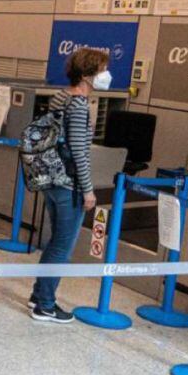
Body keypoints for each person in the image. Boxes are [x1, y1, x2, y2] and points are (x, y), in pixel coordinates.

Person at [29, 48, 111, 323]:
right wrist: (88, 190)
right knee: (62, 246)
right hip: (68, 185)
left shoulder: (61, 97)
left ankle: (39, 294)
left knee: (55, 241)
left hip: (52, 180)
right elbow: (79, 151)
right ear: (88, 75)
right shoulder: (77, 105)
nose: (105, 75)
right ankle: (45, 305)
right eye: (101, 71)